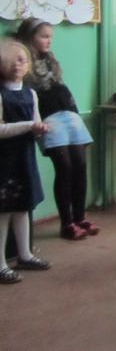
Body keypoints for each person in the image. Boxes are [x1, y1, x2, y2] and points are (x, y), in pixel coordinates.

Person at [16, 18, 97, 240]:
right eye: (44, 36)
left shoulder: (50, 59)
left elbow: (58, 85)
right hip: (48, 118)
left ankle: (80, 217)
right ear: (29, 38)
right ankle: (67, 223)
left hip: (69, 113)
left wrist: (73, 111)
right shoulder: (22, 62)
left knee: (80, 164)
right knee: (64, 167)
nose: (49, 40)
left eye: (50, 36)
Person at [0, 41, 51, 284]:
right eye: (11, 60)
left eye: (22, 60)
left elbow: (36, 122)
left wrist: (41, 131)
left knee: (23, 207)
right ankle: (1, 264)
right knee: (3, 211)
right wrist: (30, 126)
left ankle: (25, 255)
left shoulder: (30, 93)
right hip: (5, 160)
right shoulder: (1, 94)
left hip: (25, 157)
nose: (18, 64)